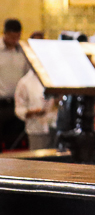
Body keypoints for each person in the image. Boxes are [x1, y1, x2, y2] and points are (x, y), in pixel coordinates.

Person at [14, 32, 56, 150]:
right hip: (37, 129)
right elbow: (19, 109)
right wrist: (32, 112)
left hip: (56, 127)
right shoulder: (25, 82)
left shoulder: (54, 77)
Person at [0, 19, 29, 150]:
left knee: (16, 142)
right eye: (12, 37)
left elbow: (27, 75)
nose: (14, 40)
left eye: (17, 37)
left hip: (17, 102)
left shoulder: (23, 51)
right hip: (1, 102)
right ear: (5, 33)